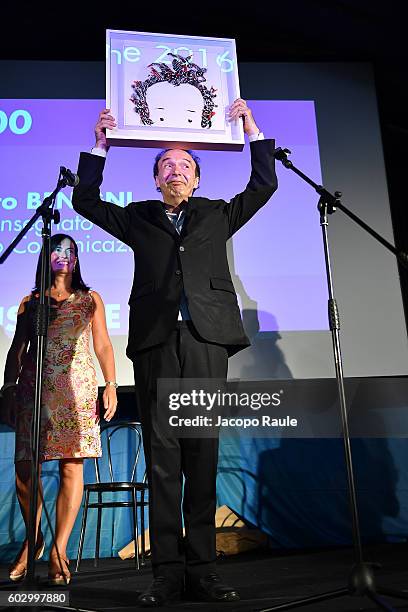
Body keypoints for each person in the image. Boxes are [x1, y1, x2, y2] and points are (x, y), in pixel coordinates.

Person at [72, 99, 277, 606]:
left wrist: (252, 129)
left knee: (201, 454)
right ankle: (167, 575)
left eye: (186, 165)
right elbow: (86, 202)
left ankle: (203, 572)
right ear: (156, 178)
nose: (177, 170)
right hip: (158, 341)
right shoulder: (141, 217)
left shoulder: (217, 213)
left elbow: (264, 186)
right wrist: (100, 145)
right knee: (163, 459)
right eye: (168, 164)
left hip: (206, 340)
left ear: (198, 179)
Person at [1, 233, 118, 585]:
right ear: (47, 257)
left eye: (70, 251)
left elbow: (103, 346)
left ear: (78, 260)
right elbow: (17, 350)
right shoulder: (31, 302)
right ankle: (33, 537)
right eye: (57, 250)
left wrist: (110, 385)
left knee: (71, 467)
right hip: (33, 392)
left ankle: (58, 550)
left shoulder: (89, 299)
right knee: (25, 468)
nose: (64, 256)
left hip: (76, 390)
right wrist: (8, 387)